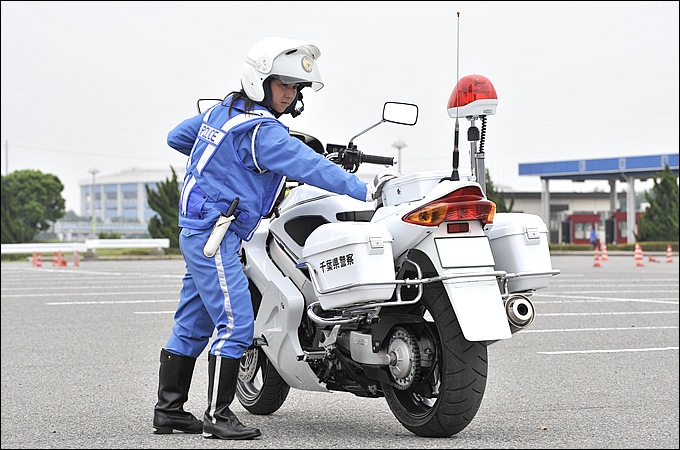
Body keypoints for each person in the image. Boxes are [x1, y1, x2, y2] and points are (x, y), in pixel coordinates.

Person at [152, 37, 380, 440]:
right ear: (260, 81)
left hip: (199, 229)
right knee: (237, 322)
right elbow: (310, 165)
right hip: (216, 235)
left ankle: (168, 411)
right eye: (283, 85)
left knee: (193, 321)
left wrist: (221, 158)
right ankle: (218, 416)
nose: (290, 95)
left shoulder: (222, 113)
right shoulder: (263, 133)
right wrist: (366, 190)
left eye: (295, 88)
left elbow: (177, 137)